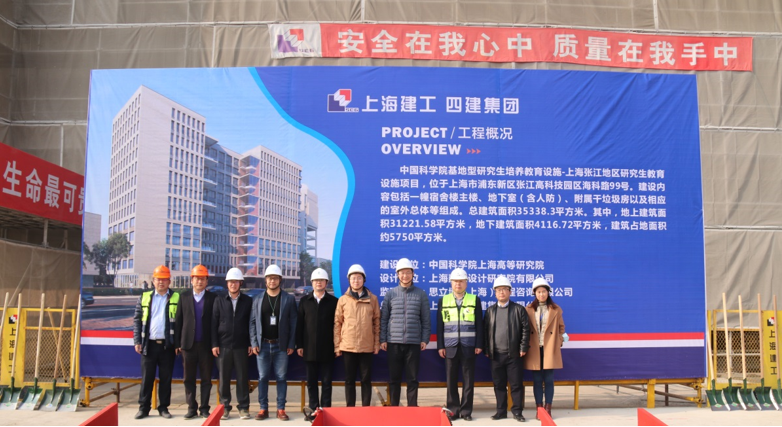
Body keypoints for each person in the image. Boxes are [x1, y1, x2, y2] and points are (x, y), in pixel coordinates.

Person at [380, 257, 431, 407]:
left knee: (412, 379)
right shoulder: (390, 294)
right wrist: (383, 339)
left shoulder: (421, 294)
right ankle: (394, 408)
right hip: (393, 342)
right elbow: (384, 318)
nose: (405, 275)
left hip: (413, 342)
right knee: (394, 379)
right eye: (402, 273)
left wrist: (424, 339)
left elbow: (426, 319)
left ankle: (412, 408)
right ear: (397, 274)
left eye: (408, 272)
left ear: (413, 274)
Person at [250, 264, 297, 421]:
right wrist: (254, 342)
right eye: (270, 278)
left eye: (275, 278)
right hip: (262, 345)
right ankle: (263, 408)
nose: (272, 281)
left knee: (281, 377)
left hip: (281, 346)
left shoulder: (288, 299)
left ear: (280, 280)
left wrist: (291, 344)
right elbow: (252, 322)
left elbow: (293, 323)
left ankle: (281, 409)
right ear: (265, 280)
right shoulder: (257, 299)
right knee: (263, 377)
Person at [132, 265, 179, 420]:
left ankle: (163, 407)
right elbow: (137, 320)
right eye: (158, 279)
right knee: (147, 379)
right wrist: (137, 341)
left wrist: (177, 344)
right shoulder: (144, 297)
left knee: (166, 379)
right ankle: (143, 408)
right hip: (149, 345)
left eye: (164, 279)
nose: (161, 282)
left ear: (169, 281)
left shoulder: (176, 297)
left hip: (167, 346)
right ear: (153, 281)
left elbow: (180, 323)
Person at [436, 268, 483, 421]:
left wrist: (479, 344)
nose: (458, 284)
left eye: (461, 281)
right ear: (451, 283)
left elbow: (479, 324)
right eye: (455, 281)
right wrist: (441, 346)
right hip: (450, 346)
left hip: (468, 346)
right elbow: (440, 325)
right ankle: (453, 411)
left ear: (466, 283)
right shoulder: (444, 300)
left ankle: (466, 411)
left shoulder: (474, 300)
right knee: (451, 381)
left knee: (468, 381)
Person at [484, 275, 530, 422]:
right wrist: (487, 350)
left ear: (510, 291)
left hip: (514, 355)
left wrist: (523, 347)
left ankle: (517, 412)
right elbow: (485, 332)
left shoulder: (518, 309)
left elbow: (526, 330)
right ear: (495, 293)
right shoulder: (490, 311)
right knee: (499, 385)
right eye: (498, 290)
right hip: (496, 355)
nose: (502, 292)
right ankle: (501, 411)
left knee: (516, 385)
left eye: (504, 289)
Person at [334, 264, 380, 407]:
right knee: (349, 380)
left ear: (363, 280)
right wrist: (337, 346)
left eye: (359, 278)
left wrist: (376, 344)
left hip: (367, 346)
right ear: (349, 280)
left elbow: (377, 322)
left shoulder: (373, 299)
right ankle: (350, 409)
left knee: (366, 380)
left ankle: (365, 408)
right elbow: (337, 323)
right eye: (353, 278)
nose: (356, 281)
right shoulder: (343, 300)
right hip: (348, 346)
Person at [296, 268, 339, 420]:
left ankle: (326, 411)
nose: (318, 283)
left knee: (327, 382)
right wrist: (299, 345)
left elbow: (337, 325)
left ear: (326, 283)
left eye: (321, 280)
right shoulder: (304, 301)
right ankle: (313, 410)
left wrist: (337, 346)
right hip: (309, 348)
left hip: (328, 348)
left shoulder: (334, 302)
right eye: (316, 280)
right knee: (311, 382)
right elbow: (299, 325)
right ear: (312, 283)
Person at [175, 264, 217, 419]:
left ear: (206, 281)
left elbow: (215, 323)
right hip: (188, 345)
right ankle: (191, 407)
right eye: (197, 278)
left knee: (206, 379)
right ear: (191, 280)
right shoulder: (184, 297)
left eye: (202, 279)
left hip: (206, 346)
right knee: (189, 379)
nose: (199, 281)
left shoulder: (213, 298)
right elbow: (178, 321)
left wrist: (214, 344)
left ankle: (204, 408)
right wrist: (177, 343)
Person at [211, 267, 253, 420]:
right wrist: (214, 344)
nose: (233, 284)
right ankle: (224, 408)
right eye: (230, 282)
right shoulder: (219, 300)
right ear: (227, 283)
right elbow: (213, 323)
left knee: (242, 378)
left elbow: (251, 323)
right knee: (224, 379)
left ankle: (243, 408)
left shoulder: (248, 301)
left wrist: (250, 343)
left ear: (240, 283)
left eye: (236, 281)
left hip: (242, 346)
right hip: (223, 346)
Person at [525, 278, 566, 419]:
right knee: (537, 380)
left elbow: (561, 328)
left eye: (544, 291)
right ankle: (539, 409)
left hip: (550, 348)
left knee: (549, 379)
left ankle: (548, 408)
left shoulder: (556, 309)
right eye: (539, 292)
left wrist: (559, 341)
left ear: (548, 293)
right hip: (535, 349)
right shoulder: (529, 309)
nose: (541, 294)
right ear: (534, 293)